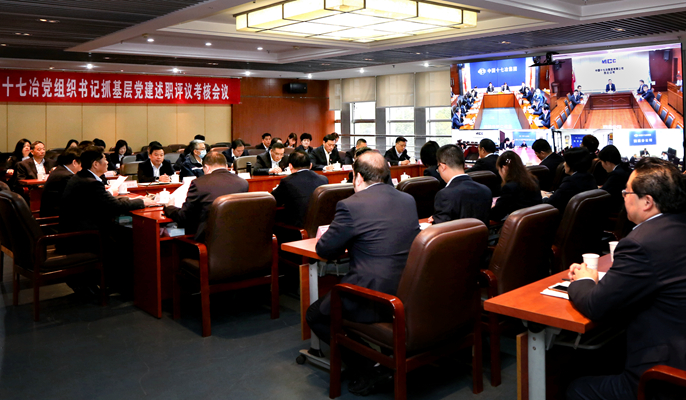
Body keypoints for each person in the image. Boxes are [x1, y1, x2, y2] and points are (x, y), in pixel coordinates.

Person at [566, 158, 686, 400]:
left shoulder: (641, 243)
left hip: (664, 375)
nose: (623, 196)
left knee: (576, 389)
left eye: (627, 191)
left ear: (647, 202)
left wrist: (583, 280)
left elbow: (596, 305)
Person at [306, 151, 420, 395]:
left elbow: (325, 249)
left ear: (357, 177)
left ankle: (369, 367)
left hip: (373, 295)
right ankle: (378, 359)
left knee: (315, 315)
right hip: (408, 288)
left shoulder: (351, 205)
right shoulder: (407, 199)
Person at [60, 146, 154, 235]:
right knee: (138, 233)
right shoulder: (91, 183)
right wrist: (142, 202)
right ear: (96, 164)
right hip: (86, 232)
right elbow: (115, 206)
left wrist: (131, 199)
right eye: (105, 159)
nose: (108, 162)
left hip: (79, 226)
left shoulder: (81, 176)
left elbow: (106, 200)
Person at [163, 152, 249, 241]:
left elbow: (184, 217)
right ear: (226, 166)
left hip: (207, 240)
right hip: (236, 239)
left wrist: (169, 207)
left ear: (207, 168)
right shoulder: (243, 183)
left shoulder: (199, 184)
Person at [430, 144, 492, 226]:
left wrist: (436, 219)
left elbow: (441, 228)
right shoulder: (485, 190)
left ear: (442, 166)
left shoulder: (444, 195)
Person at [271, 150, 328, 228]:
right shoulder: (323, 179)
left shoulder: (287, 181)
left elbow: (273, 200)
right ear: (311, 165)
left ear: (290, 166)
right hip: (321, 224)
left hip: (297, 227)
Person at [490, 151, 542, 222]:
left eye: (499, 170)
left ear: (504, 168)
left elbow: (497, 214)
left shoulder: (509, 187)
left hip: (519, 225)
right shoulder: (534, 180)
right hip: (535, 222)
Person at [542, 147, 596, 213]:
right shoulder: (590, 177)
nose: (564, 164)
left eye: (566, 161)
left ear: (572, 164)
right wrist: (552, 194)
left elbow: (550, 203)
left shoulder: (570, 181)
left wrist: (544, 196)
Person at [40, 147, 82, 218]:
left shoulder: (60, 170)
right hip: (56, 218)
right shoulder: (67, 176)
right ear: (74, 162)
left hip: (55, 214)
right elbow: (76, 200)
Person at [598, 145, 632, 212]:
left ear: (607, 162)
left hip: (617, 210)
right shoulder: (626, 169)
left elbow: (603, 193)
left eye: (601, 162)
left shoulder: (616, 174)